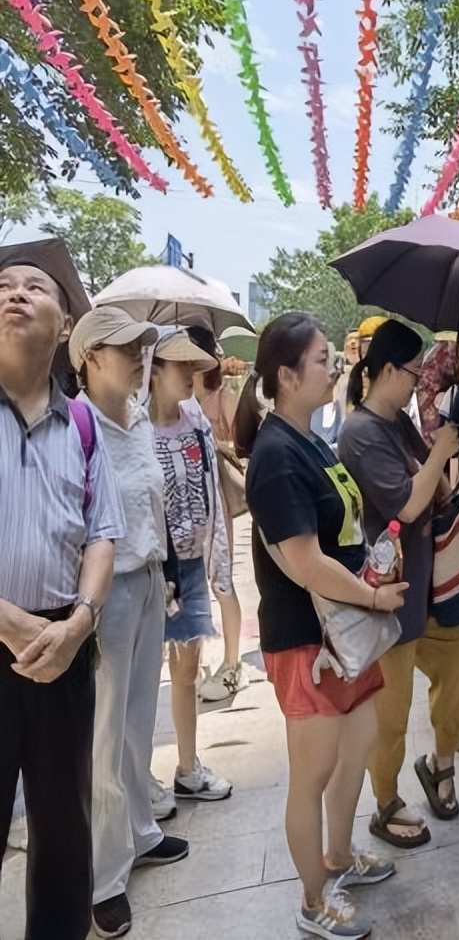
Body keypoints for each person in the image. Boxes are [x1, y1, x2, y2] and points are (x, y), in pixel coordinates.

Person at [236, 312, 407, 940]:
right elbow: (306, 562)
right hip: (307, 637)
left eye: (334, 356)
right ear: (285, 375)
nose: (335, 365)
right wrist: (371, 594)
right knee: (311, 774)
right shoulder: (278, 454)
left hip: (347, 630)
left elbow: (341, 534)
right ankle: (313, 901)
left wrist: (374, 572)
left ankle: (339, 856)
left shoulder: (309, 439)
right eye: (321, 358)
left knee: (356, 746)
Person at [0, 243, 125, 940]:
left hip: (64, 646)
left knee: (63, 828)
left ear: (65, 319)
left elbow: (102, 532)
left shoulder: (80, 423)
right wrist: (8, 620)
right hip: (7, 636)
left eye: (35, 287)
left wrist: (78, 623)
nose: (16, 293)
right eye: (4, 284)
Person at [72, 308, 191, 938]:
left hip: (146, 583)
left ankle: (141, 832)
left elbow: (152, 504)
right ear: (90, 358)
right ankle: (103, 876)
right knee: (105, 737)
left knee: (139, 724)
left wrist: (166, 570)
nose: (139, 356)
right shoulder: (77, 424)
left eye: (143, 346)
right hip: (107, 594)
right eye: (123, 349)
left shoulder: (140, 419)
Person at [337, 321, 459, 842]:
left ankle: (439, 764)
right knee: (389, 716)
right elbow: (408, 501)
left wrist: (443, 447)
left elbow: (431, 489)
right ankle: (385, 802)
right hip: (386, 598)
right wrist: (438, 455)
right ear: (387, 370)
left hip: (424, 586)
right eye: (413, 373)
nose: (418, 383)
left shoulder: (399, 422)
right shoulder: (361, 432)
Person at [147, 328, 236, 802]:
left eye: (193, 364)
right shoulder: (131, 427)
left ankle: (187, 765)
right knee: (143, 676)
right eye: (180, 365)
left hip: (190, 565)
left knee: (187, 670)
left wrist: (216, 556)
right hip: (147, 569)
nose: (191, 374)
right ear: (152, 369)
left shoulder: (196, 419)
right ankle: (139, 776)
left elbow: (211, 492)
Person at [188, 325, 249, 705]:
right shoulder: (168, 395)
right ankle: (192, 665)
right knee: (189, 584)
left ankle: (232, 662)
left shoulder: (220, 393)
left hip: (213, 500)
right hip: (182, 501)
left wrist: (214, 441)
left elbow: (242, 445)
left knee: (220, 581)